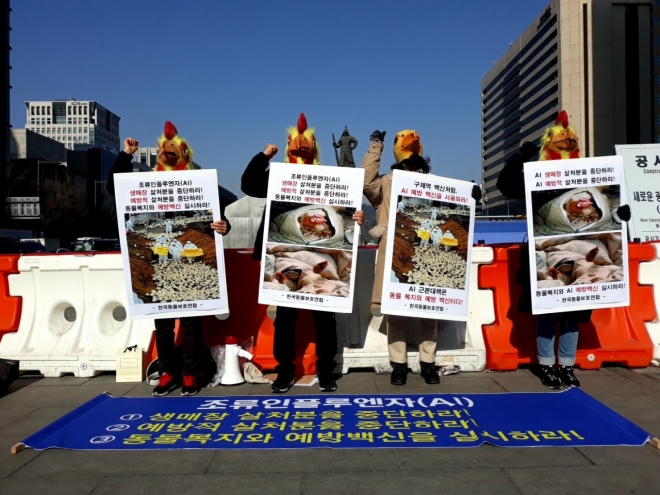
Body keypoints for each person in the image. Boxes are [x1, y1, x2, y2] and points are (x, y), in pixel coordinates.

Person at [496, 111, 630, 389]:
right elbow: (507, 186)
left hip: (586, 251)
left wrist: (621, 214)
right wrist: (522, 156)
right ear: (548, 145)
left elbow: (607, 212)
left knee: (574, 316)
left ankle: (566, 365)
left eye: (571, 141)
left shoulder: (589, 176)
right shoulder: (537, 178)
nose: (567, 143)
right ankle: (547, 366)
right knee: (549, 311)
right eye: (560, 141)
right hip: (546, 252)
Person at [107, 123, 231, 397]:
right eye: (165, 149)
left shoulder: (197, 184)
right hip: (157, 258)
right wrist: (126, 155)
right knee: (162, 325)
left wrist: (223, 226)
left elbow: (220, 217)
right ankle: (168, 373)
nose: (170, 153)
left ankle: (190, 373)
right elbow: (114, 188)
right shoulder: (146, 184)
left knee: (190, 324)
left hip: (186, 257)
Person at [241, 142, 365, 394]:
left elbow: (348, 209)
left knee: (326, 321)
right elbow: (249, 185)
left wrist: (357, 217)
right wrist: (263, 157)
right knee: (285, 321)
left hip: (323, 256)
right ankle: (285, 371)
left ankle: (326, 372)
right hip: (285, 256)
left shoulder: (328, 181)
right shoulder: (280, 178)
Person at [362, 129, 482, 386]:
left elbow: (456, 207)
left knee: (430, 315)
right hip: (397, 255)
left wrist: (472, 198)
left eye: (414, 158)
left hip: (432, 251)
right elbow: (365, 183)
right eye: (406, 158)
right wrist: (375, 147)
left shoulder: (437, 183)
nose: (411, 163)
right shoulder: (387, 181)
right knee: (396, 315)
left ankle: (428, 364)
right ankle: (399, 365)